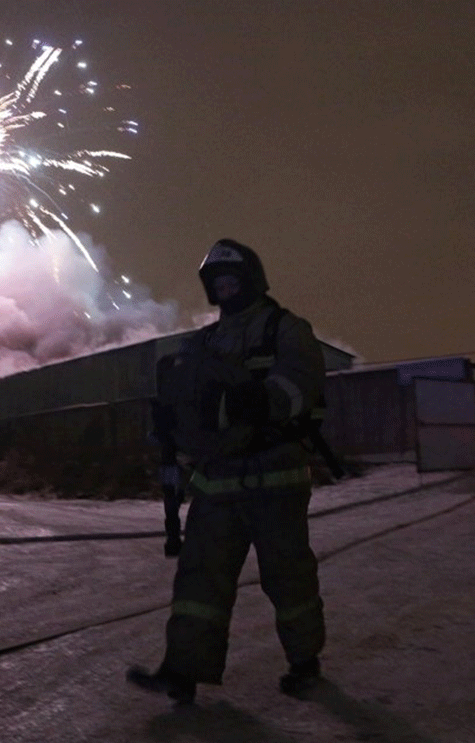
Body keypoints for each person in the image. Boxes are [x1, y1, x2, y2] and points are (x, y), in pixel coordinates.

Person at [128, 238, 327, 703]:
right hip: (218, 480)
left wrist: (262, 399)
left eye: (232, 277)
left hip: (275, 476)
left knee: (289, 577)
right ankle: (182, 671)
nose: (225, 286)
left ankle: (305, 662)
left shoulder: (285, 329)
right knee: (199, 581)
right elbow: (193, 403)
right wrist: (171, 423)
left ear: (252, 279)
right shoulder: (203, 343)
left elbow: (303, 382)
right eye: (217, 281)